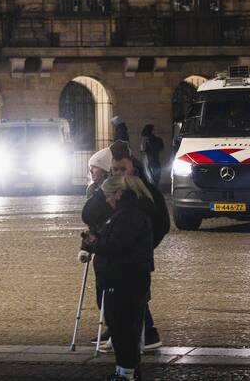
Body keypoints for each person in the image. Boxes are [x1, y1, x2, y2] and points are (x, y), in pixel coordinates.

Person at [83, 141, 168, 350]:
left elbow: (161, 223)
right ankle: (119, 333)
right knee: (111, 298)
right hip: (110, 257)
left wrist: (146, 245)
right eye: (115, 170)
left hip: (128, 258)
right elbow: (89, 215)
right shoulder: (109, 189)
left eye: (123, 169)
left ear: (133, 168)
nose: (119, 173)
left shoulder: (141, 195)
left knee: (132, 300)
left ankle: (141, 336)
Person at [83, 175, 154, 381]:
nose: (106, 200)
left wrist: (94, 243)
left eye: (107, 195)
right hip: (123, 279)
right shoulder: (125, 213)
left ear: (118, 193)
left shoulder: (129, 215)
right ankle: (126, 370)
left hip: (124, 280)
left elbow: (115, 245)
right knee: (121, 329)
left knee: (123, 330)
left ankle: (126, 373)